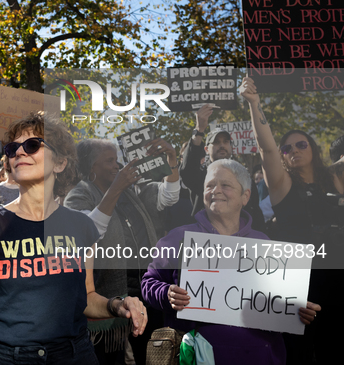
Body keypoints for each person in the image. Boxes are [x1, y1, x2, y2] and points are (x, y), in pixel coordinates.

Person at [0, 112, 148, 365]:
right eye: (12, 148)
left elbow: (86, 297)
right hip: (7, 358)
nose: (19, 153)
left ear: (60, 163)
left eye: (32, 145)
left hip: (74, 355)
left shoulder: (82, 226)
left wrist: (117, 305)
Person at [142, 159, 320, 365]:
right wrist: (167, 294)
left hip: (260, 357)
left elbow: (276, 303)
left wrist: (296, 309)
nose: (216, 190)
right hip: (198, 356)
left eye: (225, 185)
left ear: (245, 196)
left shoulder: (264, 244)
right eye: (209, 185)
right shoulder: (178, 238)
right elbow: (148, 284)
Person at [241, 77, 341, 364]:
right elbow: (266, 147)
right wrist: (254, 103)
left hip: (335, 276)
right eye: (288, 148)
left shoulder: (333, 178)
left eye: (301, 144)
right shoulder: (282, 184)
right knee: (298, 353)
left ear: (313, 148)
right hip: (298, 280)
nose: (294, 150)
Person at [64, 138, 180, 365]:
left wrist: (172, 161)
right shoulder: (79, 195)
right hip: (108, 298)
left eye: (116, 159)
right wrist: (116, 187)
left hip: (145, 290)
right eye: (109, 160)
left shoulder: (131, 192)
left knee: (153, 358)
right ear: (91, 168)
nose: (117, 165)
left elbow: (169, 196)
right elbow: (88, 232)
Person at [181, 104, 265, 232]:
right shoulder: (201, 176)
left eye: (225, 142)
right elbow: (188, 171)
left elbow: (256, 213)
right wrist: (199, 130)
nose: (222, 145)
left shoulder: (244, 177)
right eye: (216, 142)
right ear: (206, 149)